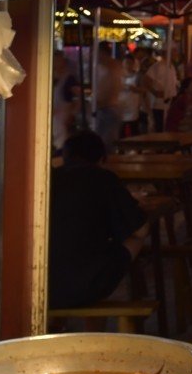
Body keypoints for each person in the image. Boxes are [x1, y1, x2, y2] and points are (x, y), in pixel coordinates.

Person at [47, 131, 149, 308]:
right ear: (102, 159)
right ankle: (137, 295)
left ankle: (60, 323)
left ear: (64, 157)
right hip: (88, 284)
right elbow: (139, 229)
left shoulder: (48, 180)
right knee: (135, 236)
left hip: (41, 282)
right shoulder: (103, 178)